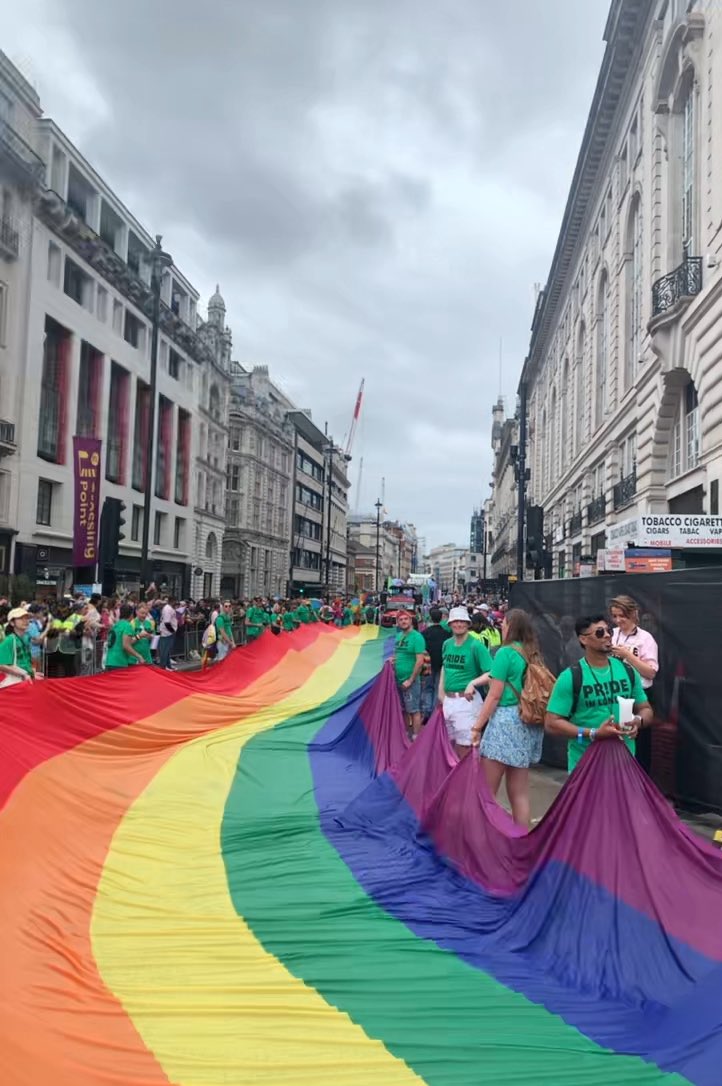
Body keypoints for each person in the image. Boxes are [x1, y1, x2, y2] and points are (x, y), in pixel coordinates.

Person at [545, 614, 653, 773]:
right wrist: (593, 733)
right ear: (583, 640)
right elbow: (551, 723)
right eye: (600, 633)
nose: (608, 635)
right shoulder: (571, 677)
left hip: (624, 765)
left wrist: (637, 721)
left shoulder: (627, 670)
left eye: (609, 631)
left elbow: (646, 709)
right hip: (586, 768)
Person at [471, 609, 545, 826]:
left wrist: (477, 727)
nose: (501, 626)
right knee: (519, 793)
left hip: (505, 722)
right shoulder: (532, 652)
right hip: (527, 721)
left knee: (486, 791)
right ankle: (520, 841)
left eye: (504, 623)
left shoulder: (505, 653)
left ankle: (484, 839)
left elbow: (494, 695)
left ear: (510, 626)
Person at [609, 594, 659, 771]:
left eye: (622, 615)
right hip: (615, 692)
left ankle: (640, 783)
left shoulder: (645, 639)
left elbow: (651, 672)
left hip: (639, 694)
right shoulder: (611, 634)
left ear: (632, 614)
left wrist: (628, 656)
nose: (618, 620)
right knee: (616, 738)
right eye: (614, 616)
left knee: (639, 742)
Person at [439, 606, 493, 758]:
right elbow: (445, 667)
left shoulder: (476, 646)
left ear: (468, 624)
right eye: (455, 621)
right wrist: (441, 692)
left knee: (466, 747)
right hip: (449, 701)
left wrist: (473, 683)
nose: (459, 624)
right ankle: (455, 779)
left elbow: (491, 673)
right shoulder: (447, 644)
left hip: (467, 702)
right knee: (447, 745)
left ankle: (467, 780)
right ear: (450, 624)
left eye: (462, 621)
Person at [393, 609, 426, 737]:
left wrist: (411, 680)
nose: (403, 621)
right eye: (400, 620)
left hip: (410, 681)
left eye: (406, 619)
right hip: (398, 679)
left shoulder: (417, 637)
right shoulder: (399, 636)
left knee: (413, 709)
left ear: (411, 621)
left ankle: (415, 736)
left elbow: (419, 661)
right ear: (397, 623)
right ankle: (406, 734)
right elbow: (397, 655)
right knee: (403, 709)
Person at [421, 607, 452, 720]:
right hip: (441, 664)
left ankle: (427, 710)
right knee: (437, 687)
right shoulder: (446, 634)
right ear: (441, 617)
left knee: (428, 687)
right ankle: (434, 710)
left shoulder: (425, 633)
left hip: (428, 664)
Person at [0, 607, 36, 685]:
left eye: (26, 618)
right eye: (20, 618)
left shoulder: (25, 638)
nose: (25, 621)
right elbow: (1, 664)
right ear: (12, 623)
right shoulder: (9, 640)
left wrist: (33, 674)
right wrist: (23, 674)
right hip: (14, 684)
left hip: (24, 681)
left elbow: (26, 661)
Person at [158, 596, 178, 670]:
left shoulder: (170, 608)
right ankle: (163, 666)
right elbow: (167, 622)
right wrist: (172, 631)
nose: (176, 603)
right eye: (175, 601)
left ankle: (168, 665)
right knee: (164, 650)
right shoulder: (167, 609)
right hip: (166, 633)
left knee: (168, 650)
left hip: (169, 632)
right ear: (172, 601)